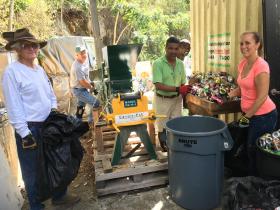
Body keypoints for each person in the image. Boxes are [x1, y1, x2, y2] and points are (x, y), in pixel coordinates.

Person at [1, 28, 80, 210]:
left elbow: (50, 94)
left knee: (56, 161)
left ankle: (59, 196)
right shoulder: (12, 72)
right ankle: (36, 206)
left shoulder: (39, 70)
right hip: (30, 129)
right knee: (32, 170)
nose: (32, 48)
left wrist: (53, 111)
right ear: (18, 49)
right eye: (26, 46)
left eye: (34, 45)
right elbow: (13, 105)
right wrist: (24, 133)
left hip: (48, 125)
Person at [228, 31, 277, 176]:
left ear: (257, 45)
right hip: (249, 114)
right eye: (241, 43)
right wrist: (232, 94)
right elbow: (243, 87)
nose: (243, 46)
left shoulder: (261, 66)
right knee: (245, 147)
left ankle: (257, 183)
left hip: (264, 116)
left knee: (253, 148)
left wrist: (246, 117)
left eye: (248, 43)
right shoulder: (243, 64)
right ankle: (250, 177)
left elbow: (262, 97)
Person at [152, 36, 191, 151]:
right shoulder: (158, 63)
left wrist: (186, 94)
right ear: (165, 48)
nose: (173, 51)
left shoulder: (180, 64)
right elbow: (158, 85)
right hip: (162, 100)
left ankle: (176, 150)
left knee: (177, 126)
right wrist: (178, 90)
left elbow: (183, 83)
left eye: (176, 48)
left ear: (179, 49)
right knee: (162, 127)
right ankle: (165, 151)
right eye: (170, 48)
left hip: (177, 100)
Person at [70, 45, 100, 126]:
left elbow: (86, 77)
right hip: (79, 90)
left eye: (84, 52)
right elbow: (82, 82)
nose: (84, 54)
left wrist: (90, 83)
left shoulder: (84, 61)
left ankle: (76, 126)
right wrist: (92, 88)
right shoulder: (77, 67)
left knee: (80, 109)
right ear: (77, 56)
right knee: (96, 103)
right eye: (81, 53)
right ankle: (91, 122)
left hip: (83, 88)